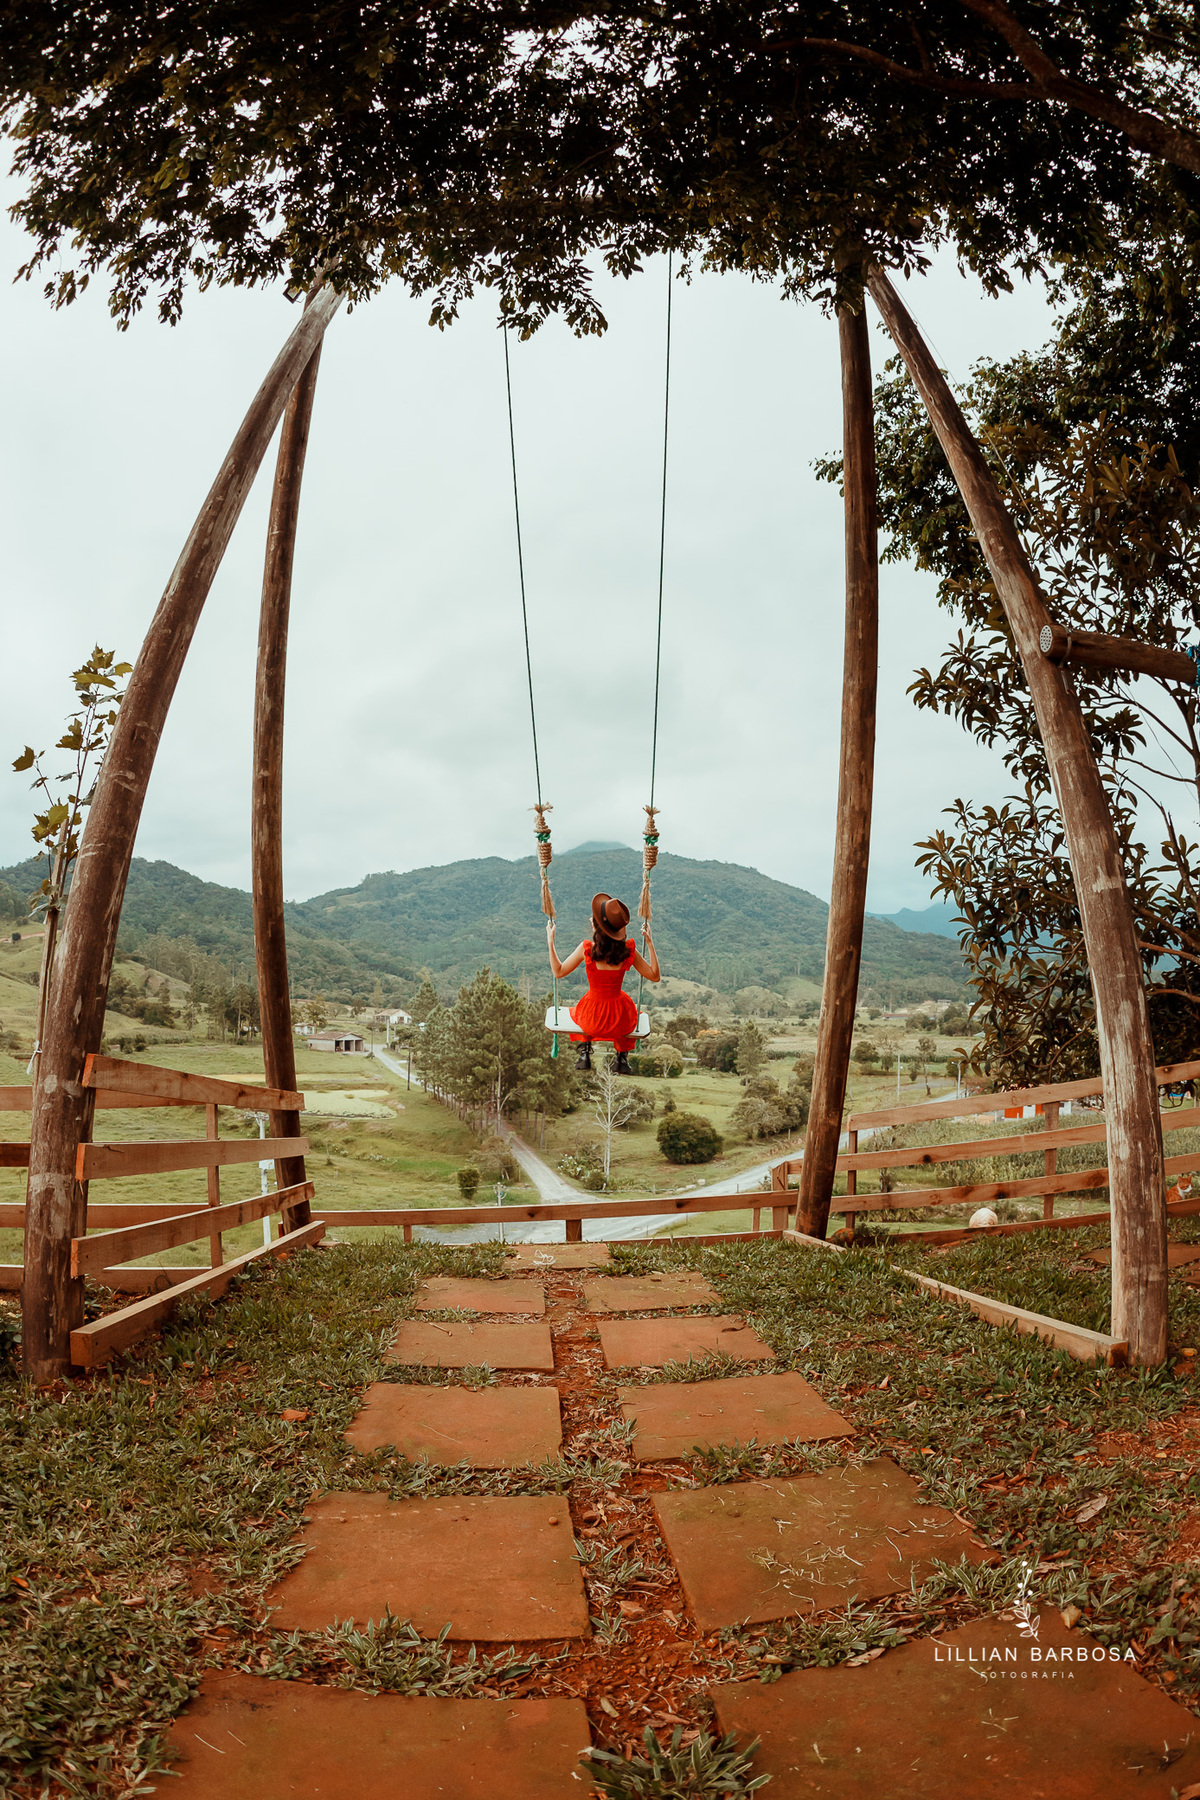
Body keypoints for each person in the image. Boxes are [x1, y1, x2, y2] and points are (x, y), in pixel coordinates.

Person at [547, 892, 660, 1072]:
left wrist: (550, 941)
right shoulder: (628, 950)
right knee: (630, 1011)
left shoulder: (587, 949)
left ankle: (585, 1052)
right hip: (619, 1021)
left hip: (592, 1018)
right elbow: (654, 975)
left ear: (596, 925)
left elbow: (558, 972)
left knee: (581, 1009)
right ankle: (621, 1058)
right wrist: (650, 942)